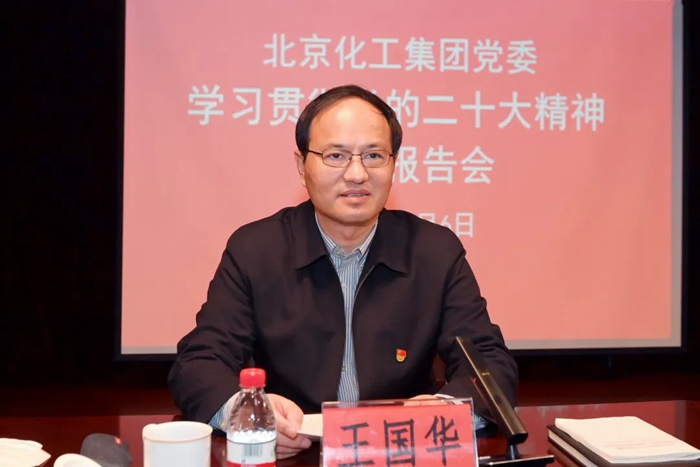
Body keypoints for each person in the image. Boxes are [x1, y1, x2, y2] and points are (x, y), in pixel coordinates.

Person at [168, 84, 518, 459]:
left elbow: (490, 363)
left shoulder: (434, 251)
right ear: (302, 166)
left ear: (394, 164)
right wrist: (249, 415)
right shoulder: (256, 250)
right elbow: (199, 362)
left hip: (401, 453)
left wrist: (444, 410)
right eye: (336, 155)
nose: (357, 174)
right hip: (295, 453)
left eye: (374, 155)